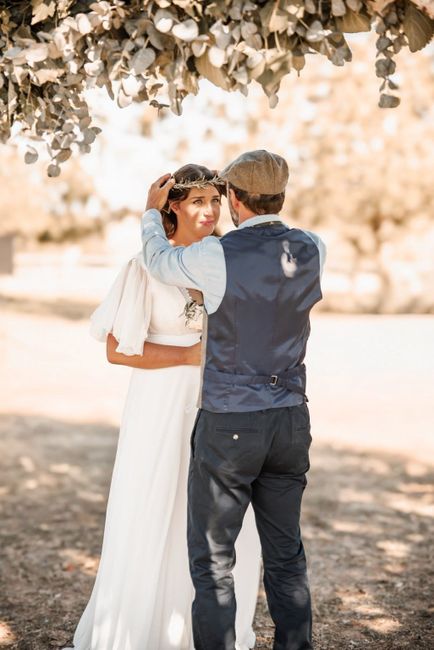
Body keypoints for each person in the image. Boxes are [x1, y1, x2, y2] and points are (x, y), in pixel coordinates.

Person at [65, 164, 261, 650]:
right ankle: (143, 630)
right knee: (157, 505)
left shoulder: (228, 262)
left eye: (214, 201)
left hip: (221, 406)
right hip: (160, 407)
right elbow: (117, 350)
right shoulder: (144, 267)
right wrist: (191, 355)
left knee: (218, 516)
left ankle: (207, 631)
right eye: (197, 201)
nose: (209, 211)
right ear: (171, 206)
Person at [141, 150, 327, 650]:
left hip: (230, 424)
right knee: (286, 554)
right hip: (291, 419)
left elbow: (157, 261)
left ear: (236, 199)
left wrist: (150, 214)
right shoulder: (314, 246)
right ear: (280, 196)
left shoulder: (215, 256)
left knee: (214, 562)